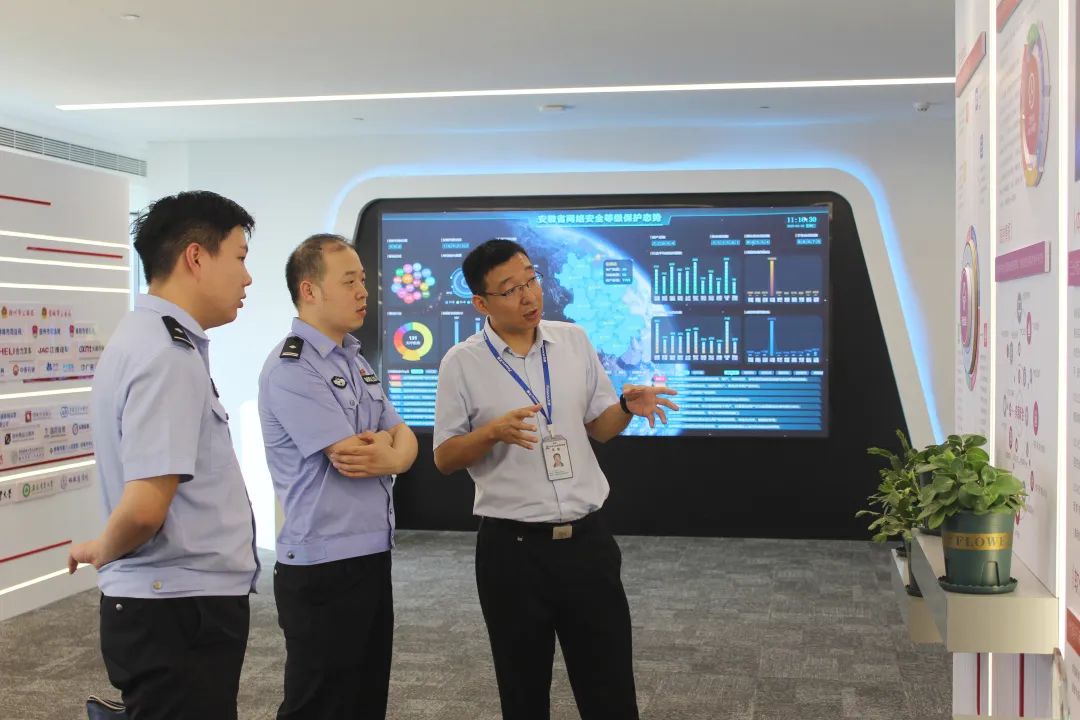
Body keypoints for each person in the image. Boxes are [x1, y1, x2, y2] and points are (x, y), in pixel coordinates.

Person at [433, 239, 679, 720]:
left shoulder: (573, 341)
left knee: (610, 690)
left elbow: (599, 428)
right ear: (481, 303)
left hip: (587, 545)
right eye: (510, 289)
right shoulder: (461, 363)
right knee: (523, 693)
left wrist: (626, 407)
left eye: (531, 280)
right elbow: (444, 457)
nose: (529, 296)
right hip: (513, 552)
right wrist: (491, 433)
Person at [68, 191, 260, 720]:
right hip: (177, 609)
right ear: (196, 257)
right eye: (239, 257)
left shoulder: (150, 339)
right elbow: (146, 507)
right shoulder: (166, 354)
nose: (247, 278)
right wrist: (103, 549)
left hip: (174, 603)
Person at [259, 233, 418, 719]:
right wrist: (393, 451)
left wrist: (393, 452)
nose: (364, 292)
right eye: (349, 282)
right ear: (309, 290)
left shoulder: (355, 359)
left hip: (370, 554)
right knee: (319, 705)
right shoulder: (291, 367)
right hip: (323, 564)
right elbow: (350, 456)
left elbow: (405, 436)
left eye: (363, 280)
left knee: (365, 700)